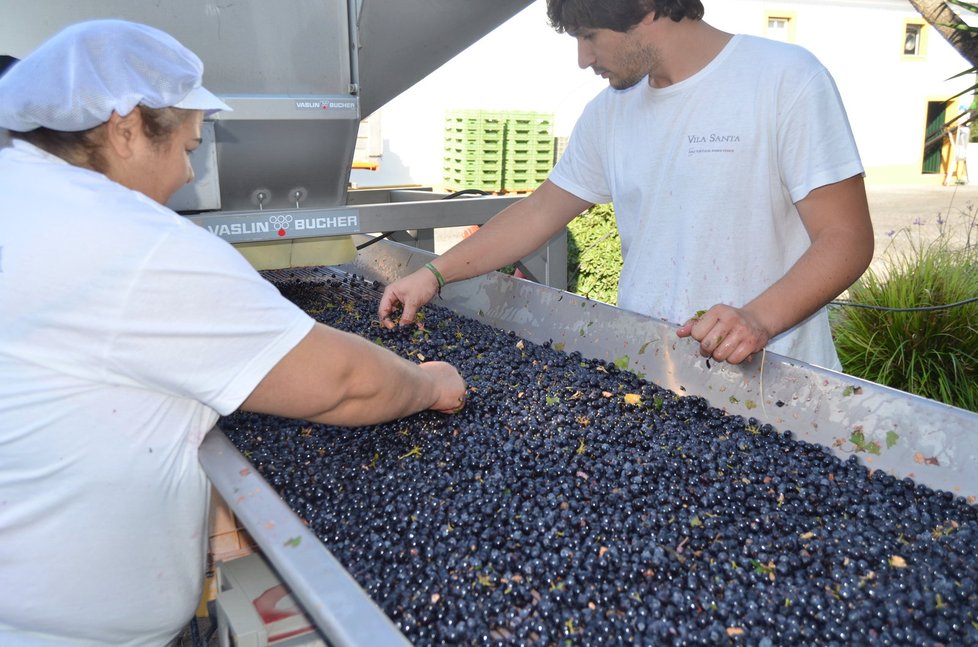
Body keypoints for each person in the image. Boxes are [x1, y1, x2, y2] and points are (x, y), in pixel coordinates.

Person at [0, 19, 466, 646]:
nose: (188, 175)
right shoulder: (129, 242)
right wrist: (427, 382)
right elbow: (341, 384)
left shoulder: (23, 194)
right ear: (126, 126)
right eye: (188, 148)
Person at [379, 0, 874, 370]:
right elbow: (538, 213)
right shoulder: (609, 114)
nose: (581, 58)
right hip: (651, 370)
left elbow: (846, 239)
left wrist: (758, 319)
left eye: (590, 35)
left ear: (647, 8)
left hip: (775, 381)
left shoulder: (785, 79)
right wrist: (433, 275)